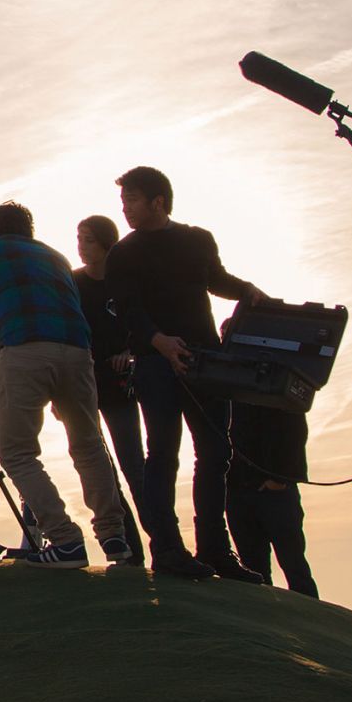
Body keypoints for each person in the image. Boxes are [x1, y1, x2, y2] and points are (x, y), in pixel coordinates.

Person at [0, 202, 202, 575]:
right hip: (78, 354)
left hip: (25, 350)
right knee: (89, 446)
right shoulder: (55, 256)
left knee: (17, 453)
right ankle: (115, 537)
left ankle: (64, 539)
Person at [104, 166, 270, 584]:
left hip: (206, 361)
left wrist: (248, 290)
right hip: (156, 364)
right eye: (123, 201)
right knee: (162, 455)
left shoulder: (197, 239)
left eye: (133, 200)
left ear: (159, 201)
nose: (125, 208)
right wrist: (159, 341)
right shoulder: (122, 255)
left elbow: (216, 280)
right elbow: (128, 310)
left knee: (215, 454)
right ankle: (168, 551)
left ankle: (215, 550)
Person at [73, 215, 146, 565]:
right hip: (84, 387)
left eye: (87, 239)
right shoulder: (72, 284)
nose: (81, 246)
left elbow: (142, 325)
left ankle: (164, 544)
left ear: (106, 243)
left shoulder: (124, 283)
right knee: (102, 472)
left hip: (120, 389)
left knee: (135, 466)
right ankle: (127, 549)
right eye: (78, 239)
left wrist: (129, 352)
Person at [227, 399, 316, 597]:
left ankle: (311, 621)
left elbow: (295, 427)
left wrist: (280, 478)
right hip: (238, 489)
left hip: (274, 490)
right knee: (253, 571)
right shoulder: (224, 381)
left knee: (294, 566)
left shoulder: (276, 382)